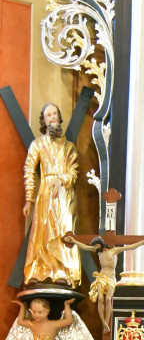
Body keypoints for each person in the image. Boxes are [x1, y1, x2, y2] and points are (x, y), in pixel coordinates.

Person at [23, 103, 81, 287]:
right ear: (44, 120)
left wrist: (62, 179)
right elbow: (29, 170)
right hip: (46, 194)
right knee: (43, 230)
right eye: (48, 115)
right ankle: (40, 271)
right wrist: (29, 199)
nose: (53, 117)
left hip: (63, 194)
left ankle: (62, 271)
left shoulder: (69, 147)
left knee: (63, 229)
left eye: (55, 113)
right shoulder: (38, 144)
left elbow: (74, 172)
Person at [63, 234, 144, 333]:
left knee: (108, 299)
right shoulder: (98, 252)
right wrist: (73, 240)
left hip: (111, 278)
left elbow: (131, 246)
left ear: (100, 244)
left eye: (96, 245)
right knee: (100, 298)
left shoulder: (114, 251)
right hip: (101, 277)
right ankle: (103, 322)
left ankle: (106, 322)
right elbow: (84, 247)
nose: (95, 248)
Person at [11, 297, 75, 340]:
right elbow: (20, 321)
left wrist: (67, 305)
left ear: (47, 311)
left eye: (40, 312)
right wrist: (22, 307)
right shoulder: (32, 324)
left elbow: (68, 321)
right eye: (34, 312)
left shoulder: (53, 324)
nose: (36, 315)